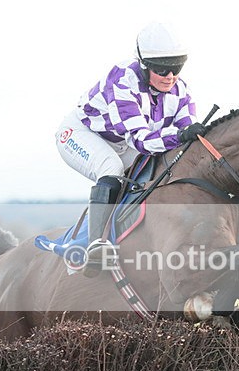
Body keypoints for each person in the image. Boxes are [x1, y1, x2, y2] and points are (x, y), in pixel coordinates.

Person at [55, 21, 207, 275]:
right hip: (82, 134)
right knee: (111, 167)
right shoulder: (123, 81)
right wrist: (180, 135)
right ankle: (95, 245)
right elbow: (141, 141)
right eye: (162, 70)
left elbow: (185, 135)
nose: (170, 76)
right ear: (144, 66)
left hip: (124, 140)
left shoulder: (180, 90)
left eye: (176, 68)